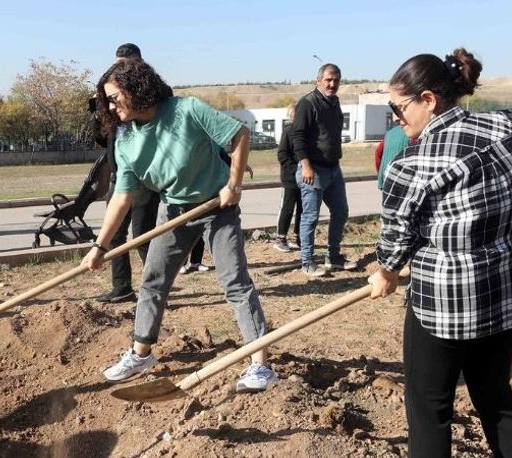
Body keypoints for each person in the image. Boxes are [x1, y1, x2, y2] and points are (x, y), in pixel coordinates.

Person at [368, 48, 512, 458]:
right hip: (509, 293)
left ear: (428, 100)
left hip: (444, 307)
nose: (396, 119)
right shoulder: (508, 125)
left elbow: (395, 242)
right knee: (496, 397)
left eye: (398, 108)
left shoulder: (413, 165)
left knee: (429, 411)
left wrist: (385, 272)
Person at [82, 59, 276, 392]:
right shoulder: (126, 140)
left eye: (115, 98)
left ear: (136, 89)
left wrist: (234, 184)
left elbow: (239, 134)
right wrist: (100, 246)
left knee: (234, 281)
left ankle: (261, 365)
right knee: (153, 280)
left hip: (217, 207)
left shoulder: (187, 110)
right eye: (107, 101)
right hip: (174, 211)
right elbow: (122, 197)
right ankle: (141, 353)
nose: (111, 107)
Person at [94, 42, 161, 303]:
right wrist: (99, 114)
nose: (118, 71)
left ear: (138, 63)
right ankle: (121, 287)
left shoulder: (153, 93)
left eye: (124, 65)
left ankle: (156, 288)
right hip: (119, 173)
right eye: (116, 65)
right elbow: (103, 138)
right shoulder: (114, 98)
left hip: (145, 177)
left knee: (143, 236)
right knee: (115, 234)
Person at [291, 63, 354, 277]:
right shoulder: (308, 103)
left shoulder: (334, 102)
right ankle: (307, 262)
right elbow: (298, 136)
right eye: (328, 80)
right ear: (318, 81)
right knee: (310, 217)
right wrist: (306, 165)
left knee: (341, 211)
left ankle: (333, 257)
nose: (332, 84)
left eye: (336, 80)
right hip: (313, 170)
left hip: (333, 169)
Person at [273, 105, 302, 253]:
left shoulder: (304, 132)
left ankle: (299, 237)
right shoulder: (288, 131)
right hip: (290, 178)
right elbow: (282, 154)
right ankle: (280, 238)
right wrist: (295, 170)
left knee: (303, 209)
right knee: (287, 208)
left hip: (304, 179)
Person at [375, 124, 411, 190]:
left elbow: (378, 152)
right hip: (402, 178)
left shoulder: (389, 133)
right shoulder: (412, 132)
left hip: (385, 176)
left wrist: (380, 172)